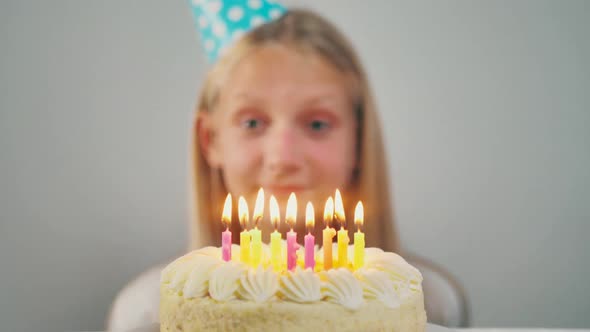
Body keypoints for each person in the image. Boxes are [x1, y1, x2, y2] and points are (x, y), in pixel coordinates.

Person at [107, 2, 399, 331]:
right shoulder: (147, 314)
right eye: (252, 123)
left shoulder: (424, 302)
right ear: (210, 140)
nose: (282, 158)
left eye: (317, 124)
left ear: (359, 140)